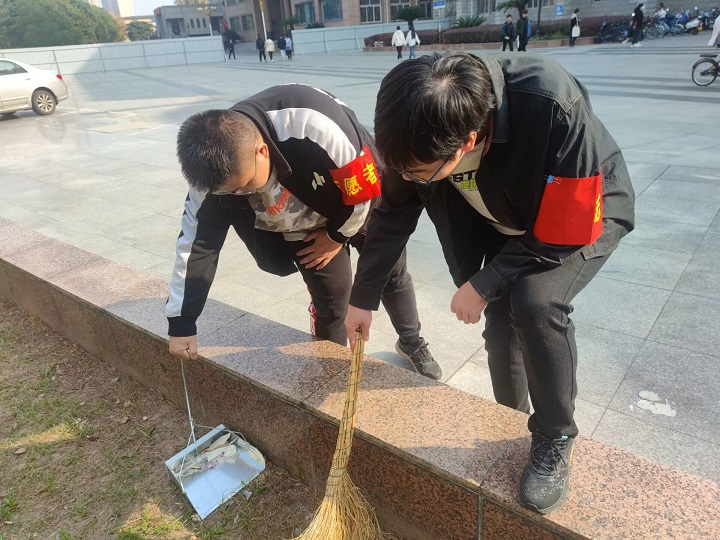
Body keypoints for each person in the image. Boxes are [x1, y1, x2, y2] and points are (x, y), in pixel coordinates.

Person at [345, 52, 635, 514]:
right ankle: (509, 421)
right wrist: (363, 298)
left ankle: (555, 435)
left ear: (468, 140)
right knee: (501, 332)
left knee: (536, 303)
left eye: (417, 172)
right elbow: (393, 212)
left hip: (580, 207)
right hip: (504, 216)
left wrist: (487, 280)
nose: (408, 178)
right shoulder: (421, 131)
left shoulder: (550, 103)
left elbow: (567, 228)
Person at [167, 84, 441, 381]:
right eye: (229, 192)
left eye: (244, 186)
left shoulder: (314, 125)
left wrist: (335, 237)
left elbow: (362, 194)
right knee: (332, 300)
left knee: (391, 274)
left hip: (359, 203)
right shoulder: (211, 178)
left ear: (261, 151)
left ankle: (411, 341)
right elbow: (196, 246)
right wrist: (182, 323)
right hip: (300, 226)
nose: (238, 195)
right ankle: (331, 369)